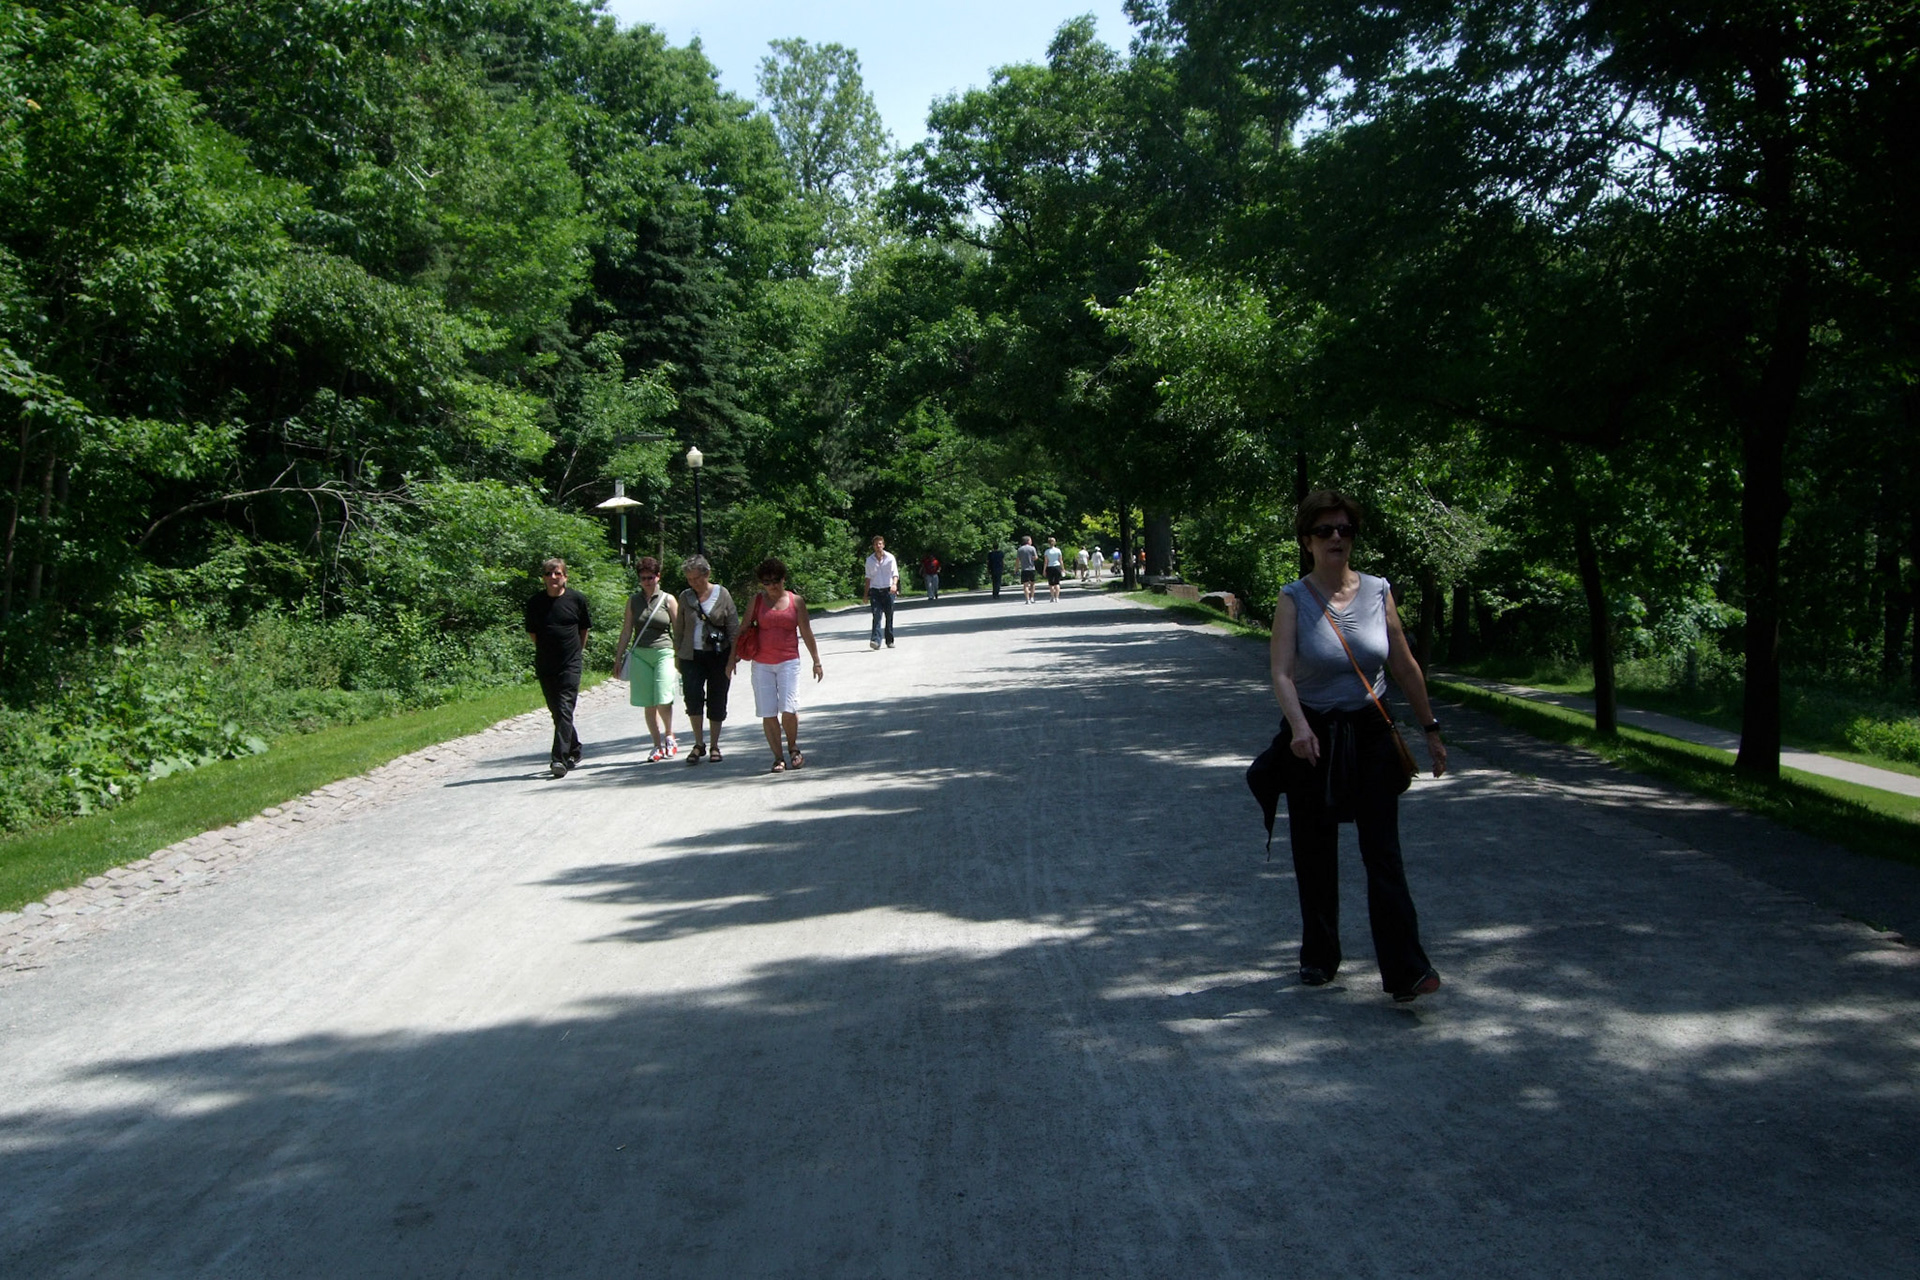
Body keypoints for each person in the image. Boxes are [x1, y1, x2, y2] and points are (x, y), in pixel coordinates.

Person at [1269, 489, 1448, 1003]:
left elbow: (1404, 665)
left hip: (1371, 731)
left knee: (1383, 853)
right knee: (1315, 848)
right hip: (1314, 735)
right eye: (1325, 530)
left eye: (1345, 529)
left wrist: (1430, 729)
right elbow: (1280, 672)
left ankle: (1407, 970)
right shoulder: (1293, 598)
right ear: (1307, 541)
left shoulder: (1377, 591)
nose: (1336, 538)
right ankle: (1320, 956)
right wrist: (1299, 726)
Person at [729, 557, 823, 772]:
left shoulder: (795, 601)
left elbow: (806, 632)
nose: (771, 585)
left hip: (789, 661)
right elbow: (742, 629)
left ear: (784, 579)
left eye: (775, 580)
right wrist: (732, 658)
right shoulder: (757, 601)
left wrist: (816, 660)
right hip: (762, 663)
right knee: (768, 711)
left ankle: (793, 747)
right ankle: (778, 757)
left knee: (789, 708)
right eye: (766, 581)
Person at [524, 558, 590, 778]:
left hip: (571, 663)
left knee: (564, 709)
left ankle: (558, 760)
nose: (553, 577)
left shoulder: (576, 599)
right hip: (545, 664)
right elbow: (533, 633)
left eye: (558, 573)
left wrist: (576, 654)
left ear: (565, 577)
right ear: (543, 578)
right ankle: (575, 748)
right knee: (557, 712)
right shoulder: (535, 603)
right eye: (549, 574)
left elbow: (583, 629)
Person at [614, 557, 680, 762]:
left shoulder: (668, 600)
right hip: (641, 654)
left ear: (658, 576)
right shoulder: (633, 601)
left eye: (650, 577)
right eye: (643, 578)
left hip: (664, 651)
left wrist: (681, 657)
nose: (647, 581)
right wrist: (618, 658)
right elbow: (626, 631)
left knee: (663, 697)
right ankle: (656, 744)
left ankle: (670, 735)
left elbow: (678, 631)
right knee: (648, 702)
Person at [673, 554, 737, 764]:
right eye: (690, 580)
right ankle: (698, 743)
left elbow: (733, 628)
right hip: (691, 655)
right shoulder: (685, 597)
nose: (694, 583)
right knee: (692, 697)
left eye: (697, 579)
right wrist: (677, 655)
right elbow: (679, 628)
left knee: (717, 697)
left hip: (719, 655)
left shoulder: (723, 594)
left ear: (706, 574)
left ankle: (714, 745)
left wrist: (732, 659)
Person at [863, 535, 900, 649]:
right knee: (876, 615)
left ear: (883, 545)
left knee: (889, 616)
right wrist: (865, 594)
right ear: (873, 546)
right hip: (875, 591)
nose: (878, 546)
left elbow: (895, 574)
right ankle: (876, 640)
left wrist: (894, 585)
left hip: (888, 590)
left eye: (880, 544)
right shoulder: (869, 560)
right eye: (876, 544)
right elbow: (868, 578)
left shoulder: (890, 558)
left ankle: (889, 640)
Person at [1016, 536, 1039, 604]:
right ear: (1028, 541)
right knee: (1032, 584)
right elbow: (1036, 557)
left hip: (1024, 569)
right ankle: (1032, 597)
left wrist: (1016, 568)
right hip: (1031, 568)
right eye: (1030, 540)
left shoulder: (1020, 549)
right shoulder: (1032, 548)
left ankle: (1027, 599)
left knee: (1025, 585)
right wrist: (1032, 558)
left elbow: (1017, 560)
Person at [1043, 538, 1065, 602]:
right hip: (1057, 566)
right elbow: (1060, 560)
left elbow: (1046, 562)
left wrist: (1044, 570)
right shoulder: (1058, 550)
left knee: (1051, 584)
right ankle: (1057, 598)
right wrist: (1063, 568)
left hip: (1050, 567)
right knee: (1057, 583)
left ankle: (1052, 597)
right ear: (1055, 542)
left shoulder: (1047, 551)